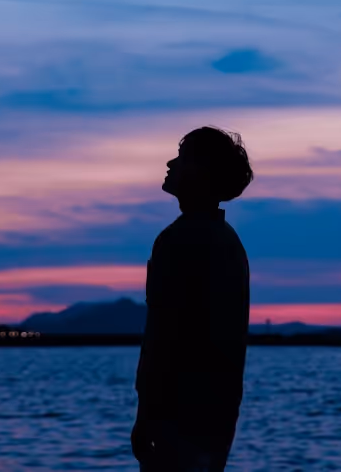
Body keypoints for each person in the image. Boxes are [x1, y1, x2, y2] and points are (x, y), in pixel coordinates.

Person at [132, 125, 253, 472]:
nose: (170, 163)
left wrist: (146, 415)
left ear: (202, 172)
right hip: (213, 411)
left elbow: (163, 334)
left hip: (180, 414)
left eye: (182, 158)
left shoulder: (180, 239)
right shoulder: (226, 240)